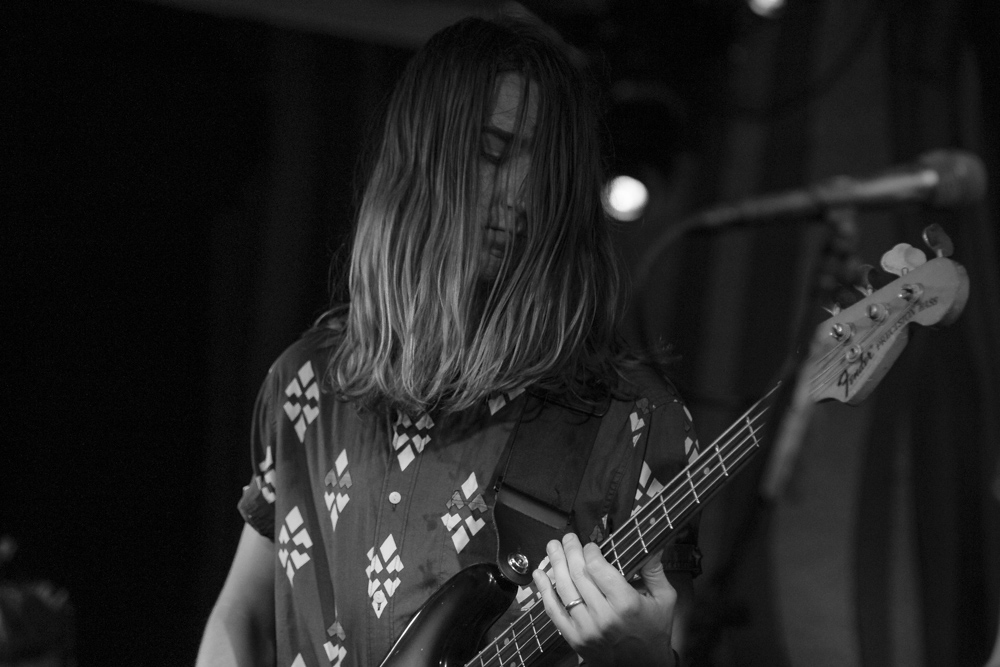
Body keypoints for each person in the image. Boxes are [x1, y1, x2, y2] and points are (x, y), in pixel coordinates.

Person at [196, 15, 701, 667]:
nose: (520, 193)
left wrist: (646, 656)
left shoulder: (635, 422)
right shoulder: (308, 382)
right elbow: (242, 613)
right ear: (422, 161)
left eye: (543, 167)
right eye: (493, 153)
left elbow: (678, 635)